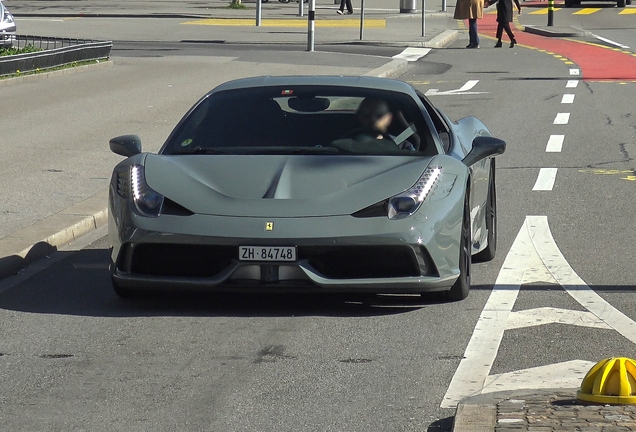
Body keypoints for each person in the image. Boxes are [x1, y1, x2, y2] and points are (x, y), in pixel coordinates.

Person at [350, 98, 419, 151]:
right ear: (359, 117)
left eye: (379, 115)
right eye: (367, 115)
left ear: (389, 118)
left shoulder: (404, 147)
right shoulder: (344, 146)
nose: (373, 119)